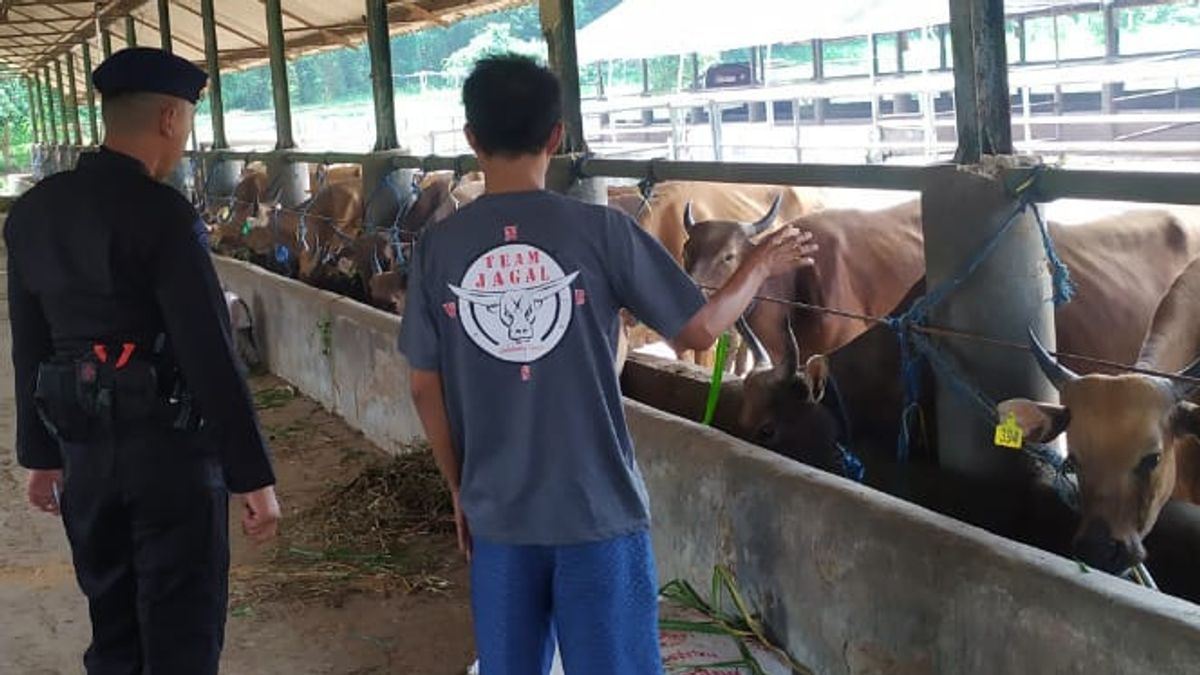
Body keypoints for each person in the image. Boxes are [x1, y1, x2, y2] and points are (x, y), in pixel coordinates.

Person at [399, 54, 817, 675]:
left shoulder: (439, 248)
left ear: (471, 139)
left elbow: (422, 383)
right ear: (556, 137)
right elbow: (698, 328)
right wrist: (754, 267)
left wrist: (460, 488)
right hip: (599, 512)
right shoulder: (601, 230)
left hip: (499, 513)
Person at [6, 47, 281, 675]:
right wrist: (252, 475)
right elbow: (209, 350)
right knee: (181, 623)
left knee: (113, 619)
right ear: (168, 119)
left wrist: (41, 457)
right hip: (171, 458)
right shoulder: (163, 214)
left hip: (83, 450)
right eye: (186, 120)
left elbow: (29, 344)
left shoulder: (33, 213)